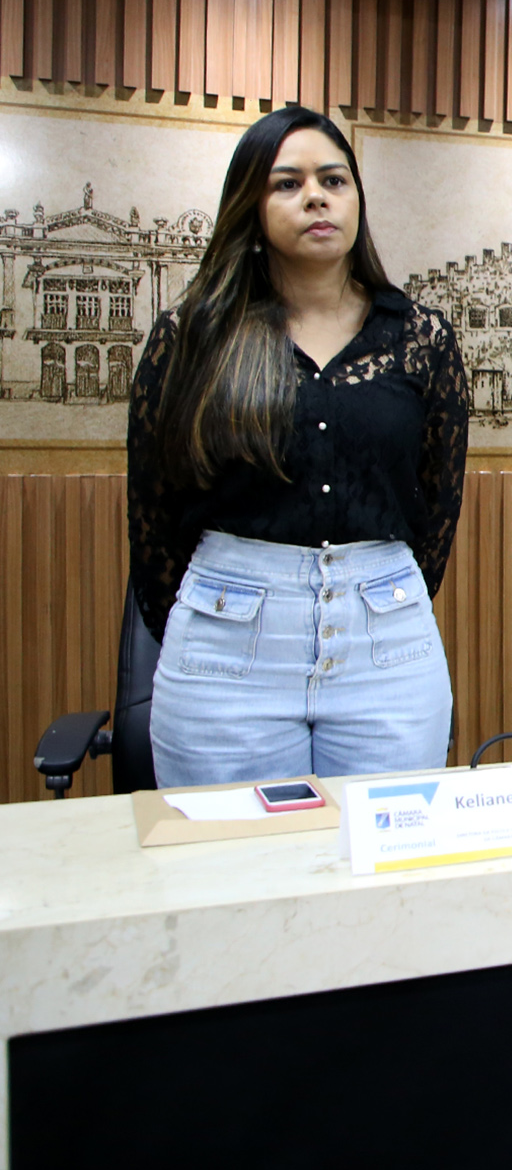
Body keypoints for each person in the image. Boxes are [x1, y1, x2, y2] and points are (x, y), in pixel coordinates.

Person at [128, 107, 468, 788]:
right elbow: (153, 515)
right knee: (236, 852)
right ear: (249, 208)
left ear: (356, 199)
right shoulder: (195, 335)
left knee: (384, 850)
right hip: (228, 648)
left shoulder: (420, 336)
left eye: (333, 180)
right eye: (288, 184)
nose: (316, 197)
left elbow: (437, 507)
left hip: (386, 643)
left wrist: (377, 592)